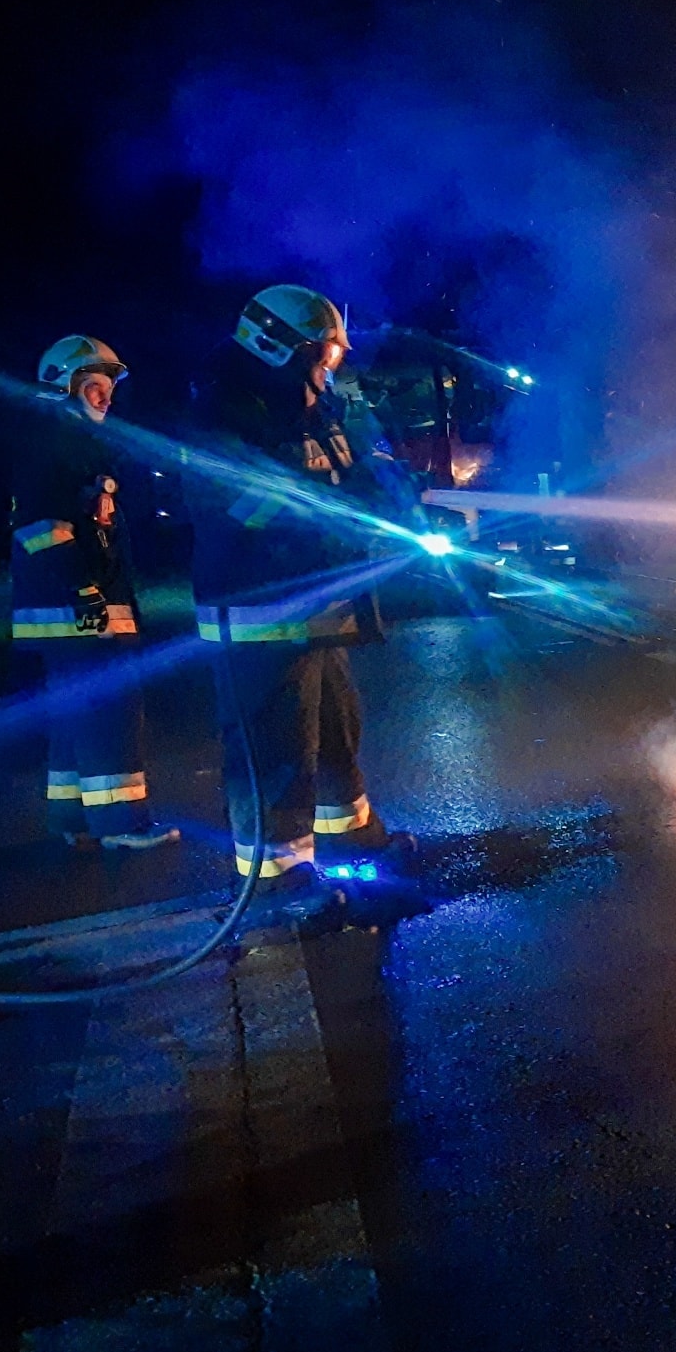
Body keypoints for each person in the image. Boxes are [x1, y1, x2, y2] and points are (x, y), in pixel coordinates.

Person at [188, 285, 410, 925]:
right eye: (324, 352)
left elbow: (348, 475)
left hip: (317, 605)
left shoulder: (311, 407)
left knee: (336, 725)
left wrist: (387, 495)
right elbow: (247, 506)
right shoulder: (226, 412)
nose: (332, 365)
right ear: (277, 347)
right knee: (276, 745)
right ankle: (277, 878)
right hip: (261, 610)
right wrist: (334, 529)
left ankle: (349, 834)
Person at [8, 336, 180, 850]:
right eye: (94, 387)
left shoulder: (61, 440)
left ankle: (73, 817)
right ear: (66, 386)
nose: (105, 397)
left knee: (76, 714)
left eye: (107, 387)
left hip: (70, 605)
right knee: (111, 711)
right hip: (82, 606)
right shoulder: (57, 443)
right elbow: (41, 528)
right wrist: (84, 589)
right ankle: (121, 824)